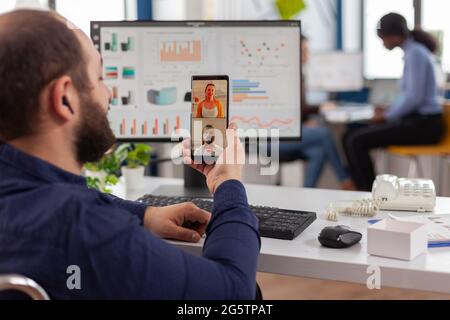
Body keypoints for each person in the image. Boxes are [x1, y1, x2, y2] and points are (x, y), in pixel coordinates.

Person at [0, 10, 260, 299]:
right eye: (99, 78)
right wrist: (229, 183)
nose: (109, 94)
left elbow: (62, 196)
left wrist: (145, 215)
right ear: (64, 98)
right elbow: (235, 293)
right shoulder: (84, 229)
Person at [343, 13, 444, 191]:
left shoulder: (416, 54)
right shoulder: (412, 52)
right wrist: (389, 110)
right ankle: (360, 187)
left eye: (383, 38)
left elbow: (414, 98)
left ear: (394, 36)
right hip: (416, 121)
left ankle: (369, 193)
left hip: (425, 126)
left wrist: (387, 116)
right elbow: (409, 96)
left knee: (356, 140)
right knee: (350, 133)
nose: (383, 43)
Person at [278, 35, 355, 190]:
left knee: (319, 151)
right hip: (276, 138)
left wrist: (307, 119)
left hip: (292, 131)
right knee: (324, 134)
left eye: (307, 50)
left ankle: (307, 193)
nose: (308, 55)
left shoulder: (298, 73)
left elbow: (297, 109)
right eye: (303, 50)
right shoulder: (284, 75)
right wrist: (319, 109)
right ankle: (345, 179)